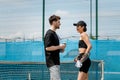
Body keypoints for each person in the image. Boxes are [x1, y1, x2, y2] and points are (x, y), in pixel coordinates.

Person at [44, 15, 66, 80]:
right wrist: (60, 46)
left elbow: (55, 49)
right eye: (58, 22)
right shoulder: (49, 33)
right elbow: (47, 48)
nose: (60, 23)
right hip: (52, 62)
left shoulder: (55, 34)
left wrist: (62, 48)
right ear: (54, 22)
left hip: (56, 62)